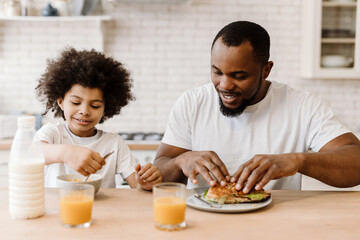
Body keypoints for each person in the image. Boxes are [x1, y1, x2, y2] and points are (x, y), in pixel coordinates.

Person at [154, 21, 360, 193]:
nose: (224, 85)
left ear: (266, 70)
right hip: (203, 223)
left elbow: (356, 162)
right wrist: (181, 161)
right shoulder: (192, 102)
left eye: (239, 75)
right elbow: (159, 172)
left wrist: (298, 161)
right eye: (217, 72)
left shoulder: (302, 106)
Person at [35, 48, 162, 190]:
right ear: (60, 102)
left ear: (106, 108)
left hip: (103, 211)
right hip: (59, 208)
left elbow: (137, 186)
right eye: (76, 103)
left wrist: (145, 183)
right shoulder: (53, 133)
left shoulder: (114, 143)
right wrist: (66, 153)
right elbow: (32, 152)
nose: (84, 111)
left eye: (95, 106)